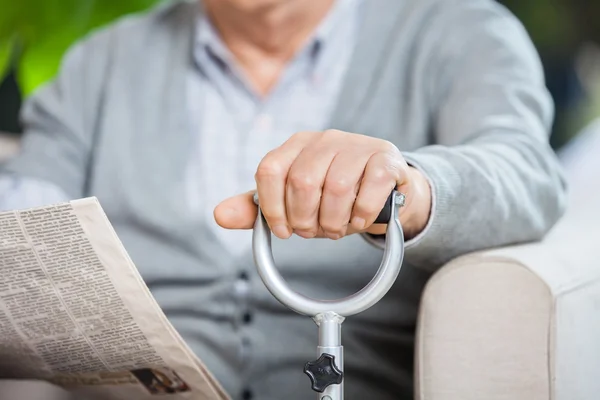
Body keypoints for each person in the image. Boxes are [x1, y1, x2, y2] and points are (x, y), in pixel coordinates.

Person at [0, 0, 567, 398]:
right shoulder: (99, 62)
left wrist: (409, 187)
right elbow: (29, 204)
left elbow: (527, 175)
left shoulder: (460, 29)